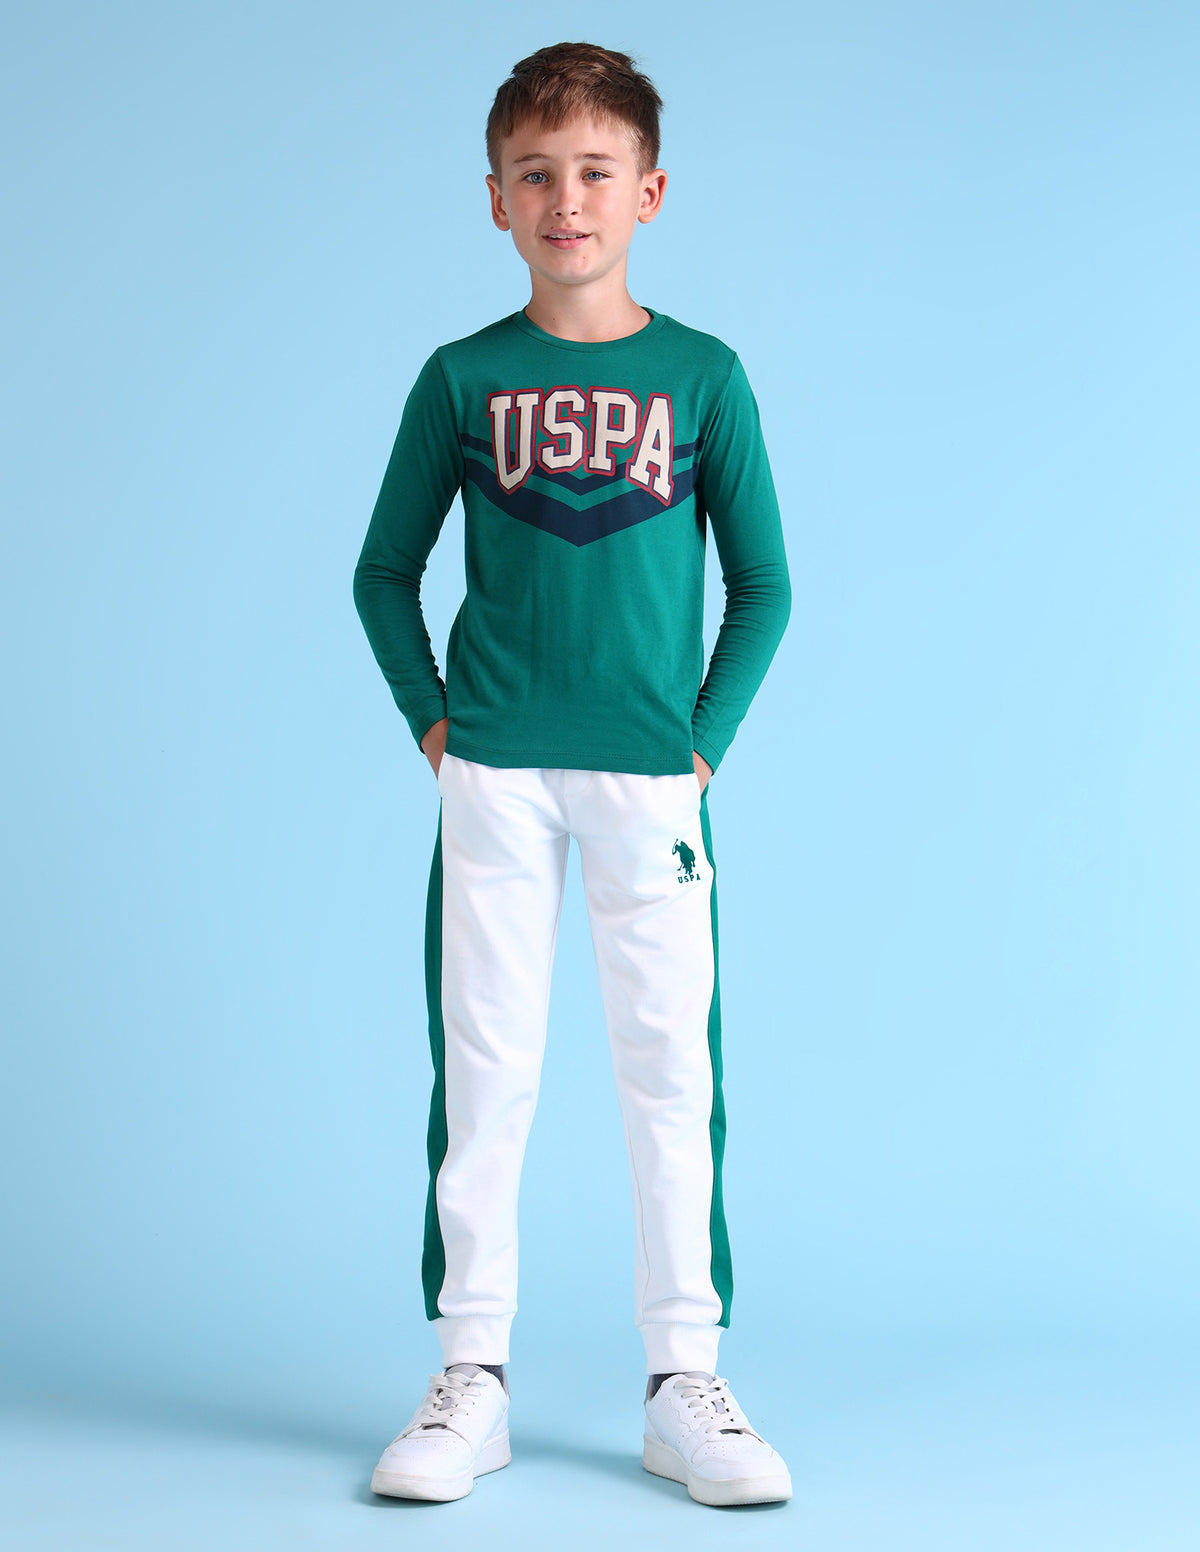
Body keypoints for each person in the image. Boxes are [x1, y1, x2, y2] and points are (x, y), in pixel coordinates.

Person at [352, 40, 793, 1509]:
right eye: (535, 175)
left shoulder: (704, 377)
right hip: (494, 775)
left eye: (596, 172)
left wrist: (701, 743)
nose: (567, 200)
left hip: (651, 786)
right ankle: (470, 1377)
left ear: (648, 191)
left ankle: (684, 1382)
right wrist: (435, 726)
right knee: (485, 1069)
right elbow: (382, 573)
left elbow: (767, 586)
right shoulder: (462, 378)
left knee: (671, 1071)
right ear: (496, 198)